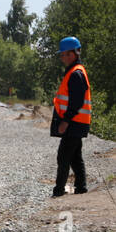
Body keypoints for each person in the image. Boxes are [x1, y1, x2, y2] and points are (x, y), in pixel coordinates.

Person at [50, 36, 90, 197]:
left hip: (73, 123)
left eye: (66, 54)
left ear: (74, 53)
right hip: (77, 123)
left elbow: (76, 101)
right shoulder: (75, 72)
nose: (63, 58)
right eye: (62, 55)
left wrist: (65, 121)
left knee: (64, 157)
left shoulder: (76, 74)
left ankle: (59, 191)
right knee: (75, 157)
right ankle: (81, 187)